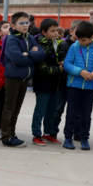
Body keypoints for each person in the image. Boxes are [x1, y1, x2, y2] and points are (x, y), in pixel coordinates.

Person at [0, 11, 45, 147]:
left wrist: (28, 54)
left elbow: (41, 54)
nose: (26, 25)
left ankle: (12, 133)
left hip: (24, 79)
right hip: (13, 78)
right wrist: (32, 54)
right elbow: (17, 58)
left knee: (17, 108)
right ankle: (6, 136)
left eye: (27, 22)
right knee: (10, 107)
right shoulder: (11, 39)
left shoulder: (29, 37)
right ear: (13, 25)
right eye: (22, 23)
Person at [61, 21, 93, 151]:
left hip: (90, 87)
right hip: (74, 86)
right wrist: (80, 72)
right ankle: (68, 137)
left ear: (92, 37)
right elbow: (67, 64)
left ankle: (84, 138)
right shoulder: (74, 47)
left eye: (84, 40)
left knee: (86, 114)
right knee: (71, 113)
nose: (81, 42)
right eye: (79, 39)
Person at [30, 18, 64, 146]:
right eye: (52, 31)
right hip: (42, 82)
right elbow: (41, 68)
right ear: (44, 32)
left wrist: (62, 62)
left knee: (52, 110)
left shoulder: (57, 43)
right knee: (41, 109)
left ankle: (49, 133)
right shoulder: (38, 45)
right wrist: (59, 68)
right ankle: (36, 134)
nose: (56, 33)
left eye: (57, 30)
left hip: (55, 83)